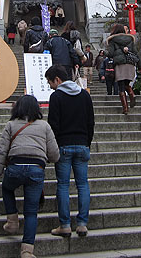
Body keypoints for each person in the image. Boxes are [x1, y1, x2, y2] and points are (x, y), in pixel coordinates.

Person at [0, 95, 60, 258]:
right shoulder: (44, 126)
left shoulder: (11, 125)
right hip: (36, 169)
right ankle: (27, 251)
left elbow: (1, 150)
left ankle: (13, 221)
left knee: (7, 189)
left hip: (15, 167)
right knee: (31, 212)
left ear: (18, 108)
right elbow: (55, 154)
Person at [45, 65, 95, 239]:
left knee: (63, 185)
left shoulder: (56, 96)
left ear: (57, 80)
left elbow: (53, 126)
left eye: (50, 82)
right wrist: (86, 143)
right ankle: (82, 224)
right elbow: (91, 122)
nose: (50, 85)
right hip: (82, 145)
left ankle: (65, 225)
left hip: (63, 146)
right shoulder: (84, 95)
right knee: (83, 185)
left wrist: (55, 147)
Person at [106, 23, 139, 113]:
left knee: (121, 85)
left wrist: (104, 53)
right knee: (126, 83)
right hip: (130, 63)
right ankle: (131, 94)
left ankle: (125, 108)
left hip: (120, 64)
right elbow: (135, 52)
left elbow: (111, 53)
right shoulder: (130, 39)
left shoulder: (113, 40)